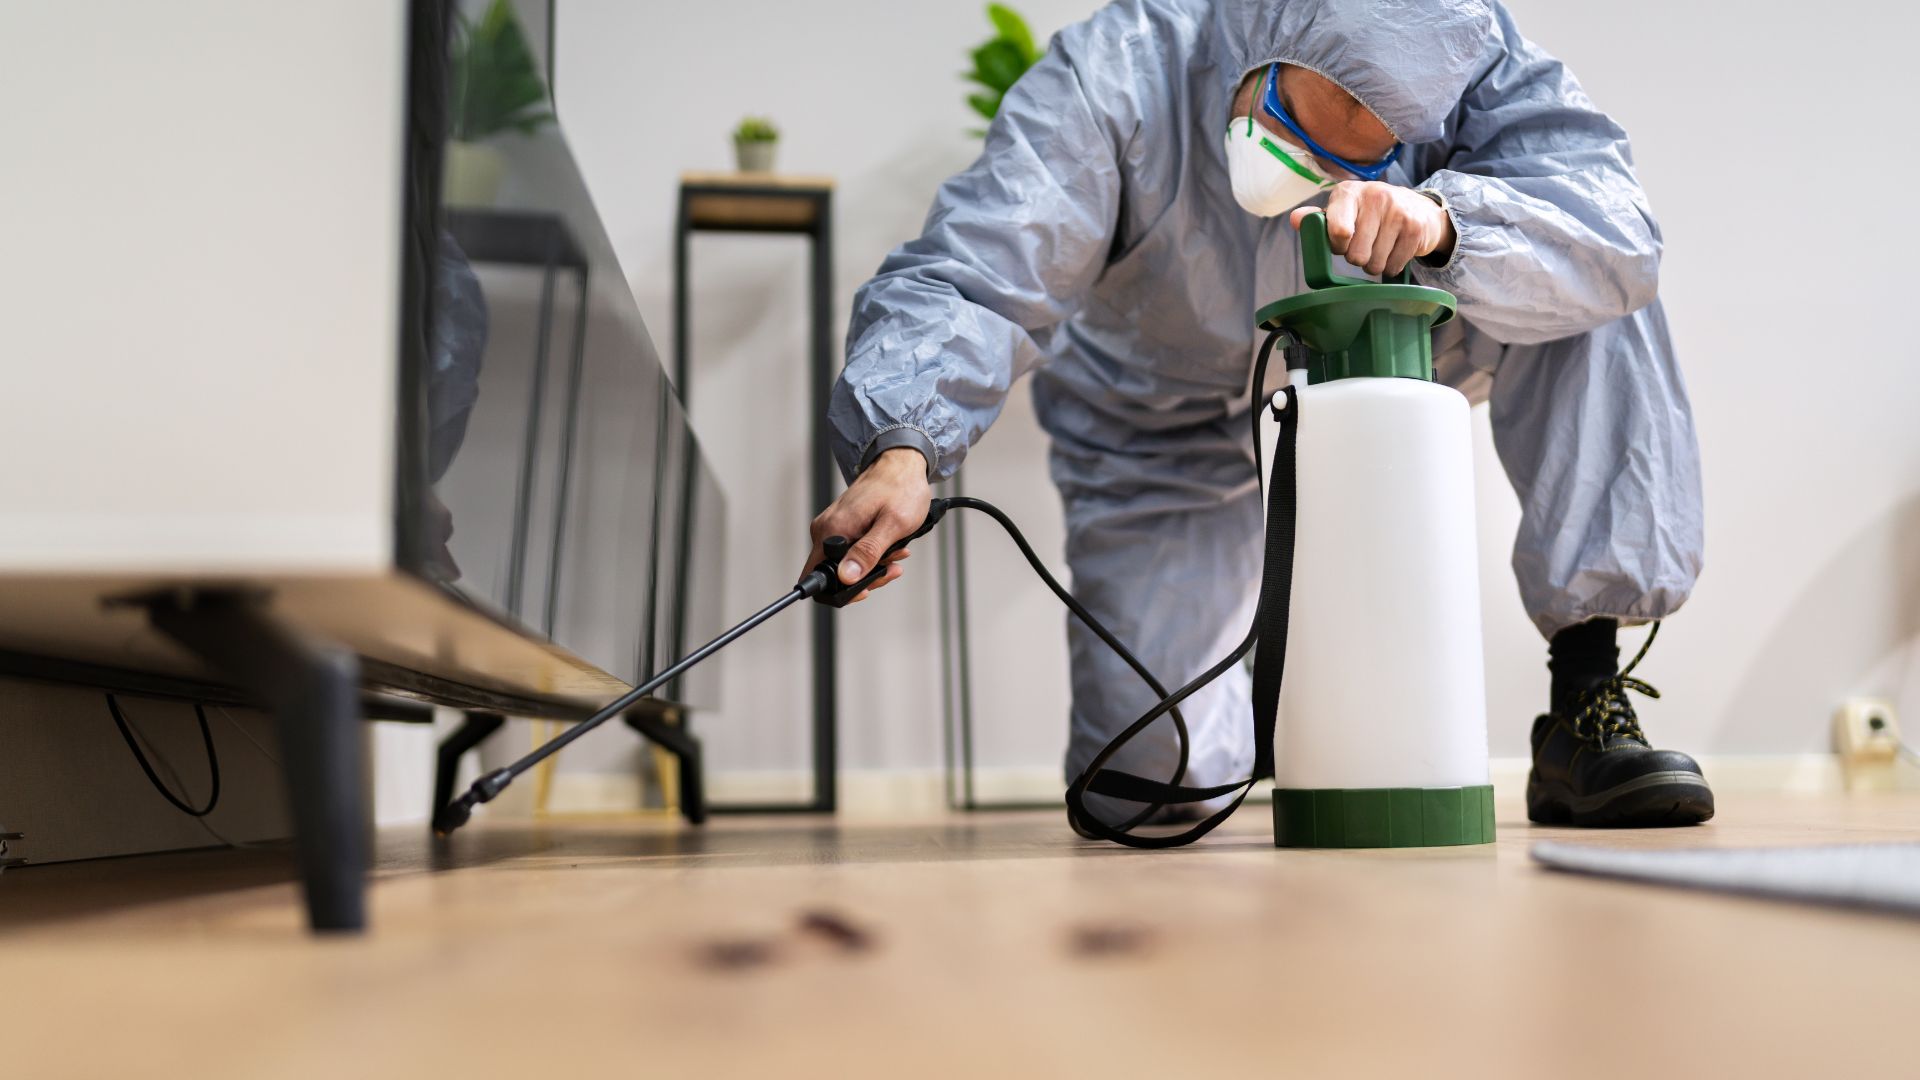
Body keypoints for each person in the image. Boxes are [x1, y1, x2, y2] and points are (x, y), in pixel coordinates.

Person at [803, 0, 1711, 829]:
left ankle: (1587, 693)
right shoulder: (1121, 70)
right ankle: (1240, 713)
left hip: (1369, 376)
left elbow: (1616, 236)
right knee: (1153, 790)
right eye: (1295, 116)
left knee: (1588, 288)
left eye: (1363, 147)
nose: (1309, 169)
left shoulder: (1473, 53)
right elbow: (981, 266)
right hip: (1160, 429)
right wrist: (901, 445)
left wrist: (1445, 223)